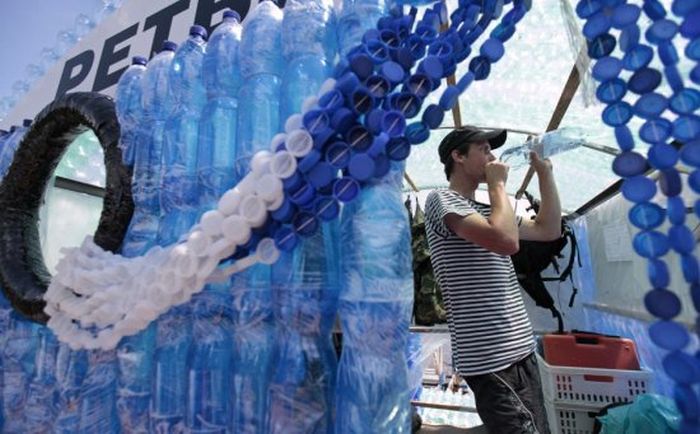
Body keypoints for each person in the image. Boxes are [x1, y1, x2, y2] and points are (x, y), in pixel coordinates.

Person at [424, 126, 562, 434]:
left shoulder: (488, 210)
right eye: (484, 149)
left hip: (521, 348)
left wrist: (545, 174)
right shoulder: (441, 200)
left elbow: (549, 230)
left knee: (538, 427)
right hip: (491, 359)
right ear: (457, 156)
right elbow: (505, 241)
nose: (493, 156)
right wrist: (498, 185)